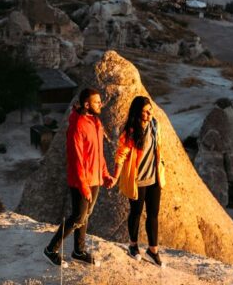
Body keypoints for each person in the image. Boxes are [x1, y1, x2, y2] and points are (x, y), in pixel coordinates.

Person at [44, 88, 115, 266]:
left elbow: (98, 153)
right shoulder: (77, 125)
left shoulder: (95, 122)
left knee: (85, 216)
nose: (101, 104)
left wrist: (105, 174)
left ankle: (78, 251)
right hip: (80, 180)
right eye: (97, 101)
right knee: (77, 217)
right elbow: (76, 159)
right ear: (86, 104)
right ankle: (50, 249)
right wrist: (83, 186)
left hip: (95, 179)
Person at [113, 95, 166, 265]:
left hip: (154, 179)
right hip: (137, 180)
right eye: (145, 111)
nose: (149, 114)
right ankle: (133, 245)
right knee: (135, 213)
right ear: (137, 113)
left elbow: (158, 147)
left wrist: (161, 165)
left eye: (150, 110)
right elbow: (120, 155)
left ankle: (153, 250)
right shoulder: (130, 132)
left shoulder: (155, 126)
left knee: (153, 214)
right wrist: (115, 176)